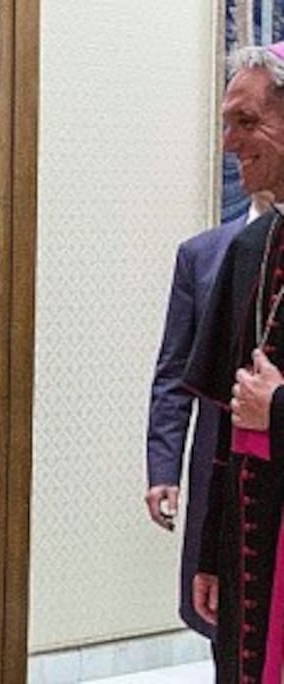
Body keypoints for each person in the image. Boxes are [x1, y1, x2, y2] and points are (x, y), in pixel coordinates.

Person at [184, 41, 284, 682]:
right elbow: (223, 421)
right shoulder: (250, 249)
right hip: (254, 540)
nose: (229, 144)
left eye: (246, 123)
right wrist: (211, 552)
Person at [145, 192, 268, 642]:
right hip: (217, 466)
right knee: (221, 614)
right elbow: (175, 371)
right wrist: (164, 468)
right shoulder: (201, 254)